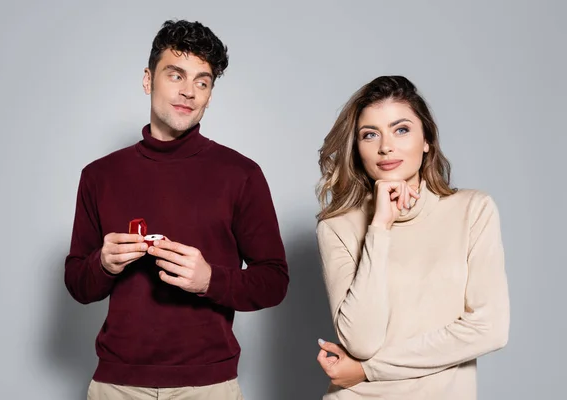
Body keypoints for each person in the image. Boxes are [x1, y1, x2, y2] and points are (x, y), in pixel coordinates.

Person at [64, 19, 289, 400]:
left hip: (208, 386)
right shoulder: (99, 175)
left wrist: (209, 281)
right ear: (148, 79)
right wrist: (103, 263)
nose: (189, 92)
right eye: (176, 75)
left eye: (202, 82)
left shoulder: (241, 174)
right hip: (117, 384)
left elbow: (274, 281)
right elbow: (77, 284)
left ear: (210, 94)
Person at [314, 75, 510, 399]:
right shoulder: (337, 227)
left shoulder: (473, 211)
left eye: (401, 129)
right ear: (357, 149)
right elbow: (361, 340)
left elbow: (489, 329)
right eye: (370, 134)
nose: (385, 146)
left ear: (426, 140)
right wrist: (379, 227)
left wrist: (367, 370)